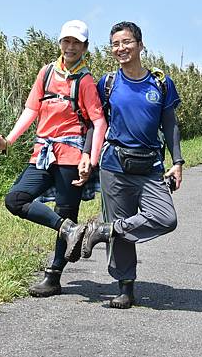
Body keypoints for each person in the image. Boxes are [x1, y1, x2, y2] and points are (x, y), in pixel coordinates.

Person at [0, 20, 107, 297]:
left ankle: (53, 277)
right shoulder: (46, 73)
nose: (70, 47)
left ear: (85, 47)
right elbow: (31, 110)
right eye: (67, 41)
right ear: (60, 43)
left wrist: (90, 157)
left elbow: (98, 122)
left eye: (77, 42)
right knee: (15, 199)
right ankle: (69, 229)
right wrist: (7, 141)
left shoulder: (86, 81)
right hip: (43, 154)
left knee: (67, 211)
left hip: (71, 156)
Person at [79, 21, 185, 309]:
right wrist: (88, 154)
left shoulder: (161, 83)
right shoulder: (108, 83)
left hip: (150, 166)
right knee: (123, 227)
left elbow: (170, 124)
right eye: (115, 44)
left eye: (126, 42)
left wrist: (177, 162)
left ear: (140, 44)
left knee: (165, 218)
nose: (120, 48)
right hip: (114, 165)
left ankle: (103, 231)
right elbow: (95, 123)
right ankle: (125, 288)